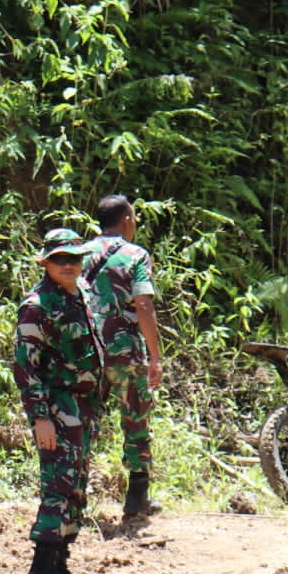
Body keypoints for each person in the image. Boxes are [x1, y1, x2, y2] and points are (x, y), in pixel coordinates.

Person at [15, 228, 104, 574]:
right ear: (46, 262)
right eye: (60, 259)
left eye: (75, 259)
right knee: (57, 485)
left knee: (76, 486)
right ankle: (39, 572)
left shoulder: (81, 294)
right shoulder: (38, 305)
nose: (69, 265)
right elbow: (25, 367)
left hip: (84, 407)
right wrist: (40, 417)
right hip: (57, 406)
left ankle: (61, 567)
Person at [83, 194, 163, 519]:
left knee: (82, 419)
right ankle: (136, 499)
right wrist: (156, 356)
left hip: (86, 349)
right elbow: (143, 304)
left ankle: (73, 495)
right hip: (124, 350)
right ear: (127, 220)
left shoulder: (78, 253)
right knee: (136, 417)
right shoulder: (135, 254)